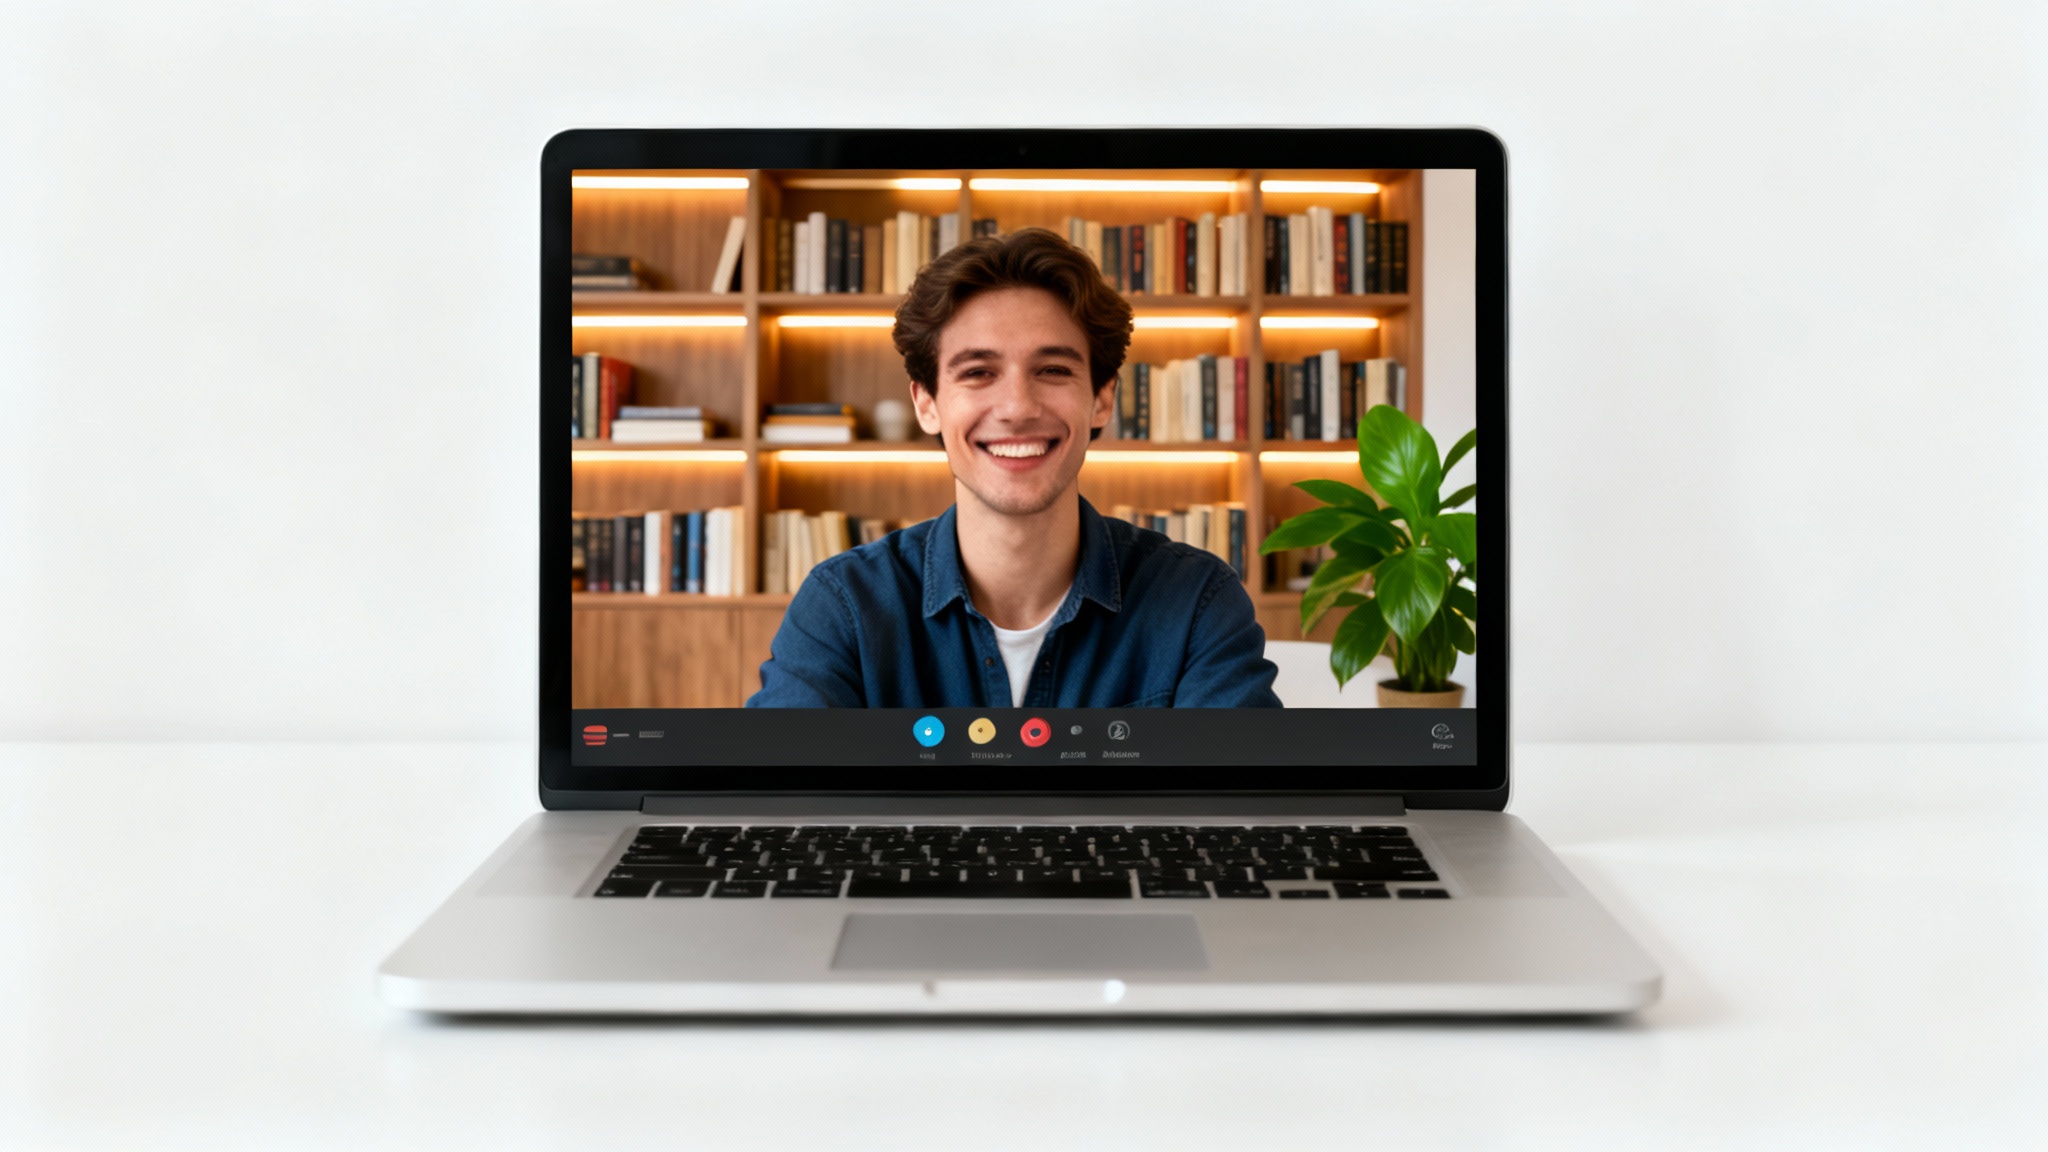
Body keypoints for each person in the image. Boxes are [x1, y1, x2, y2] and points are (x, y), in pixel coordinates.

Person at [746, 228, 1280, 709]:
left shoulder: (1196, 601)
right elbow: (776, 796)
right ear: (927, 403)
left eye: (1052, 370)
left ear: (1101, 399)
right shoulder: (845, 604)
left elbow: (1239, 806)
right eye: (979, 372)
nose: (1017, 407)